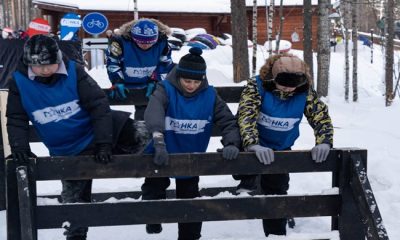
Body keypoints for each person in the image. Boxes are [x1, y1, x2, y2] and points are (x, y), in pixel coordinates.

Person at [6, 34, 150, 240]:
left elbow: (98, 105)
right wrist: (19, 148)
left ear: (57, 59)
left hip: (101, 132)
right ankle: (76, 236)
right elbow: (16, 118)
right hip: (68, 149)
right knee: (74, 204)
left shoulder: (74, 71)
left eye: (49, 65)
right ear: (29, 64)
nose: (45, 70)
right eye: (39, 66)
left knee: (149, 137)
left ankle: (158, 195)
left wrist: (104, 143)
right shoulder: (19, 82)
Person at [142, 47, 241, 240]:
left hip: (191, 156)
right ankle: (153, 216)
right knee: (154, 186)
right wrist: (158, 139)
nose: (191, 85)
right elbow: (154, 111)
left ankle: (190, 236)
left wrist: (232, 143)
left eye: (196, 81)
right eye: (187, 81)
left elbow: (228, 122)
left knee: (189, 200)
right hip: (162, 151)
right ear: (179, 77)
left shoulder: (210, 95)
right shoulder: (165, 89)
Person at [236, 53, 333, 237]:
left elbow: (320, 117)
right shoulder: (257, 86)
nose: (288, 90)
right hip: (253, 146)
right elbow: (246, 114)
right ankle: (247, 180)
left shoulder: (304, 91)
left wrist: (325, 142)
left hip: (281, 148)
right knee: (244, 169)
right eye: (284, 85)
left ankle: (276, 234)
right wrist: (252, 144)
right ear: (273, 78)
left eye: (292, 86)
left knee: (277, 190)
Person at [106, 18, 174, 120]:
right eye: (141, 42)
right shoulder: (119, 43)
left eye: (149, 42)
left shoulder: (162, 44)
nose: (145, 45)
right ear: (133, 38)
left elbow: (164, 65)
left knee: (149, 112)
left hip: (149, 84)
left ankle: (144, 130)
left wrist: (156, 80)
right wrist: (117, 80)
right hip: (126, 84)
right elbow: (113, 63)